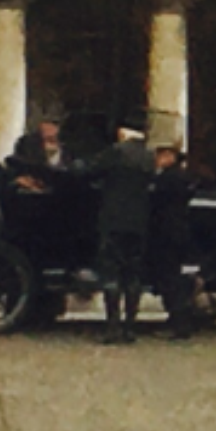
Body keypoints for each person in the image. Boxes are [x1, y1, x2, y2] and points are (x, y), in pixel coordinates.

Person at [85, 119, 158, 345]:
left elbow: (89, 171)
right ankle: (130, 327)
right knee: (133, 275)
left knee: (112, 273)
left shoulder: (116, 152)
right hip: (139, 222)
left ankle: (113, 327)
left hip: (114, 220)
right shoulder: (148, 155)